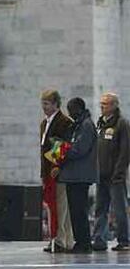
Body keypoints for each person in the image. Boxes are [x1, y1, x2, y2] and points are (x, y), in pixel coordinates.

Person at [58, 97, 98, 254]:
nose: (70, 113)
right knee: (75, 211)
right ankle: (80, 242)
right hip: (73, 175)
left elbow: (79, 149)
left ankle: (84, 243)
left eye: (72, 110)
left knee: (79, 211)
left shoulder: (86, 126)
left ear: (80, 108)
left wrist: (61, 151)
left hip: (81, 175)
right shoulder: (77, 125)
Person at [93, 92, 130, 252]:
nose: (102, 106)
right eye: (101, 104)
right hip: (101, 174)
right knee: (100, 208)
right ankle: (99, 239)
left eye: (106, 104)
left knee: (119, 209)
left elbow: (125, 151)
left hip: (115, 176)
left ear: (115, 105)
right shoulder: (101, 123)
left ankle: (124, 240)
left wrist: (119, 172)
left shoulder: (122, 124)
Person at [40, 89, 74, 253]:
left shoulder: (64, 122)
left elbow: (63, 145)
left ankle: (61, 240)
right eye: (43, 104)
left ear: (55, 104)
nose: (44, 107)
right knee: (54, 207)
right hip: (47, 171)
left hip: (58, 171)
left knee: (60, 207)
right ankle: (63, 240)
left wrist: (57, 166)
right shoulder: (44, 123)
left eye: (46, 104)